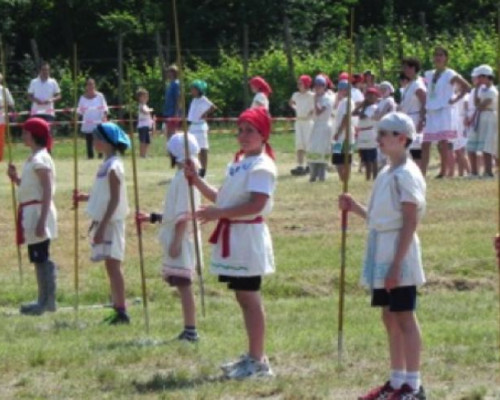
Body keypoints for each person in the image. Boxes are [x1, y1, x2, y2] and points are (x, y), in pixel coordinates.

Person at [339, 112, 426, 400]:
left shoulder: (407, 174)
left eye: (385, 133)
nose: (378, 138)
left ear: (402, 138)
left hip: (398, 251)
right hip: (381, 247)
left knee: (404, 315)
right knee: (389, 316)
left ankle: (412, 385)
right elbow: (380, 219)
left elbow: (409, 220)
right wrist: (355, 208)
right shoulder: (387, 172)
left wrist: (396, 264)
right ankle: (396, 378)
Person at [185, 106, 276, 379]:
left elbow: (256, 204)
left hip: (247, 237)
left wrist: (218, 214)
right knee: (242, 297)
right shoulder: (239, 163)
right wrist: (196, 179)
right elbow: (221, 198)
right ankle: (253, 354)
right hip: (235, 236)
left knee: (250, 298)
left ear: (263, 134)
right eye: (241, 130)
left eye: (250, 131)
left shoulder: (262, 166)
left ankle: (259, 361)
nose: (244, 135)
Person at [137, 133, 201, 342]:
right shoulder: (183, 175)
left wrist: (176, 242)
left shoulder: (185, 177)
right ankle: (188, 328)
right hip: (180, 234)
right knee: (182, 284)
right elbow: (174, 212)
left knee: (184, 284)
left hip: (182, 237)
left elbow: (184, 212)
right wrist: (154, 217)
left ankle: (191, 330)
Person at [73, 122, 131, 324]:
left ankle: (122, 310)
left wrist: (103, 225)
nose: (94, 141)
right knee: (110, 266)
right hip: (105, 221)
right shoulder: (106, 164)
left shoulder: (114, 166)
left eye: (97, 137)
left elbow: (115, 199)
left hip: (112, 223)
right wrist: (84, 197)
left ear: (106, 141)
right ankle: (117, 307)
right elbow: (103, 195)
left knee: (114, 266)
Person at [7, 118, 58, 315]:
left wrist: (42, 220)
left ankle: (46, 301)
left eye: (26, 132)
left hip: (38, 212)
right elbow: (32, 188)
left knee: (41, 256)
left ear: (34, 135)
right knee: (37, 257)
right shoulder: (34, 157)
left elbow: (46, 190)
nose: (23, 136)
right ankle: (43, 299)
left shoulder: (41, 159)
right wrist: (16, 178)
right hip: (31, 211)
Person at [422, 46, 470, 178]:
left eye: (441, 55)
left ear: (446, 58)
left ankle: (443, 172)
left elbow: (466, 87)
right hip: (431, 110)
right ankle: (422, 172)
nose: (438, 57)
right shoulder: (429, 74)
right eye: (436, 55)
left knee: (444, 142)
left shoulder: (450, 74)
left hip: (444, 110)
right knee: (426, 142)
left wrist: (454, 100)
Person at [467, 64, 498, 177]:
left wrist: (478, 104)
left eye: (480, 77)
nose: (478, 79)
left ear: (486, 76)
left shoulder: (492, 91)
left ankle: (489, 172)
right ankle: (479, 171)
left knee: (487, 146)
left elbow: (481, 106)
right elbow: (477, 104)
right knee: (478, 146)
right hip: (482, 118)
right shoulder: (482, 90)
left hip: (489, 118)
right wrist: (476, 89)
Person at [399, 58, 427, 171]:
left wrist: (422, 119)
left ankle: (419, 171)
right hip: (407, 118)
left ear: (413, 68)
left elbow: (425, 102)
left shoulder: (417, 84)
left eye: (406, 67)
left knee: (415, 148)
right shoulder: (409, 85)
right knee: (408, 148)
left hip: (415, 118)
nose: (404, 70)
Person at [307, 75, 333, 182]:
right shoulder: (315, 97)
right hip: (316, 125)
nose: (317, 88)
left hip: (324, 125)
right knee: (313, 148)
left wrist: (316, 100)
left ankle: (322, 174)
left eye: (319, 86)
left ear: (324, 87)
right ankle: (313, 174)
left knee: (322, 149)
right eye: (315, 86)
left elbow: (319, 111)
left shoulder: (327, 98)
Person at [187, 79, 216, 177]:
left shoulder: (203, 99)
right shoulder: (194, 99)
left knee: (203, 149)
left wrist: (205, 113)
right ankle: (196, 167)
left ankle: (203, 169)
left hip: (200, 126)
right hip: (193, 126)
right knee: (193, 148)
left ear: (199, 90)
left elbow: (213, 107)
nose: (191, 91)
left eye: (193, 89)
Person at [289, 75, 314, 176]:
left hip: (308, 122)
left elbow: (314, 107)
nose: (298, 85)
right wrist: (296, 109)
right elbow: (291, 102)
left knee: (308, 143)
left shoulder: (311, 95)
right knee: (299, 144)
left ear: (306, 84)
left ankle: (310, 164)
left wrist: (309, 114)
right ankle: (300, 165)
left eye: (301, 83)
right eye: (298, 83)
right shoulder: (296, 95)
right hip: (299, 121)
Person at [77, 78, 108, 159]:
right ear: (86, 86)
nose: (90, 86)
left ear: (94, 85)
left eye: (92, 84)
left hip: (98, 122)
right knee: (89, 141)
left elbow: (105, 108)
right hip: (87, 122)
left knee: (99, 140)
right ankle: (90, 156)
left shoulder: (100, 96)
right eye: (88, 84)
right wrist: (75, 119)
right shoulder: (82, 98)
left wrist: (104, 116)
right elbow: (79, 111)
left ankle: (100, 156)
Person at [353, 87, 379, 181]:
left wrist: (362, 106)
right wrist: (361, 105)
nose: (369, 97)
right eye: (368, 95)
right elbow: (353, 113)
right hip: (362, 132)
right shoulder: (365, 107)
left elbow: (363, 116)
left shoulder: (373, 107)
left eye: (372, 95)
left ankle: (375, 176)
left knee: (372, 157)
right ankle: (367, 177)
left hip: (369, 132)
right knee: (365, 157)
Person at [332, 80, 355, 183]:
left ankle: (346, 180)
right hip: (338, 133)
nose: (341, 91)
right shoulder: (341, 101)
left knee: (345, 156)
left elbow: (346, 118)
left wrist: (339, 132)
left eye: (343, 89)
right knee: (337, 157)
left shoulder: (348, 101)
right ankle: (343, 179)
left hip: (345, 133)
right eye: (340, 89)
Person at [162, 65, 181, 139]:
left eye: (169, 72)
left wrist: (176, 112)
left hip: (173, 112)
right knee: (168, 133)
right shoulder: (170, 84)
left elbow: (178, 98)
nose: (167, 74)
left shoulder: (176, 84)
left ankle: (173, 149)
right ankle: (170, 148)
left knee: (172, 133)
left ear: (173, 73)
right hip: (168, 111)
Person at [0, 72, 15, 162]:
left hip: (1, 119)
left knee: (0, 140)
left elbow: (11, 103)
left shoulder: (4, 90)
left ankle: (0, 158)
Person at [136, 87, 154, 158]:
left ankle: (145, 154)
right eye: (144, 97)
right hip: (142, 126)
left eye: (147, 96)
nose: (146, 98)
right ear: (140, 98)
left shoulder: (145, 105)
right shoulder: (141, 106)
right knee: (142, 141)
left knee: (147, 141)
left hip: (146, 126)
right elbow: (144, 111)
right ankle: (142, 154)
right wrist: (150, 110)